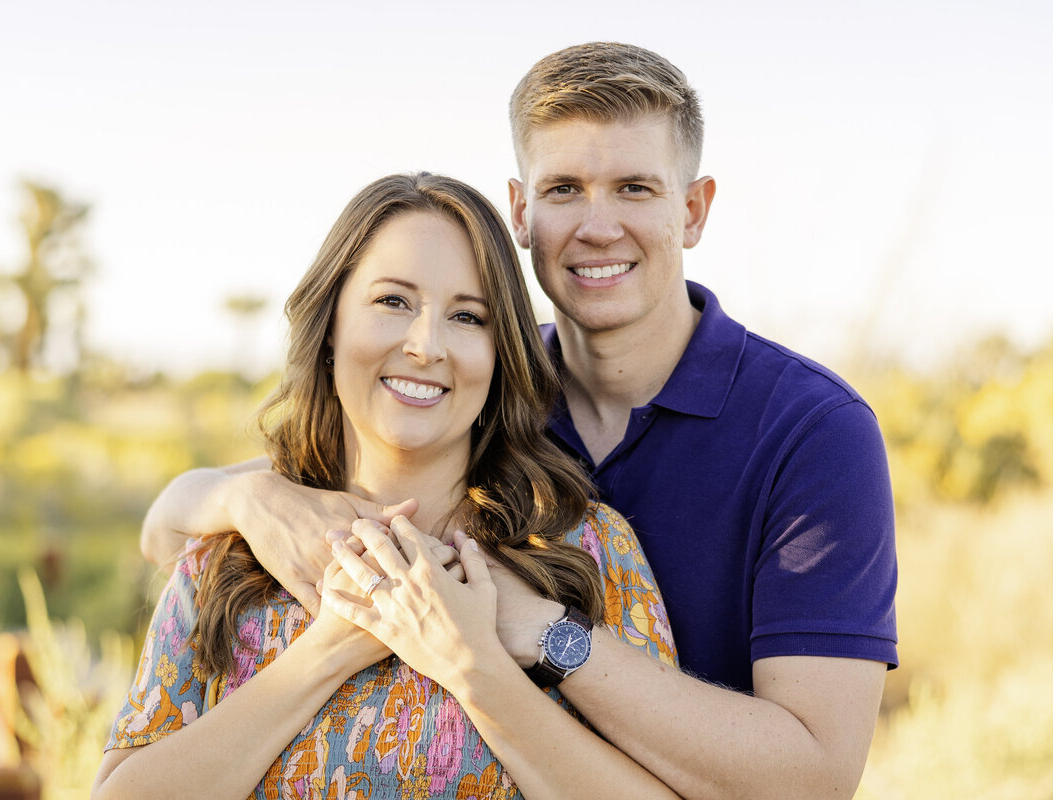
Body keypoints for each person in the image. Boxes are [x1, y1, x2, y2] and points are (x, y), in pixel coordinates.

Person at [141, 43, 898, 799]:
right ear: (522, 211)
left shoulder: (812, 431)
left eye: (634, 187)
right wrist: (241, 497)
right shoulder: (474, 385)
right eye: (565, 188)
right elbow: (184, 524)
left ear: (693, 210)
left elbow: (815, 780)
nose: (598, 227)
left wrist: (536, 629)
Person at [93, 172, 679, 800]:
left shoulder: (588, 549)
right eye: (392, 302)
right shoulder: (231, 556)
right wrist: (330, 647)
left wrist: (473, 666)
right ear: (330, 327)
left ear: (500, 352)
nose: (426, 346)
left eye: (466, 316)